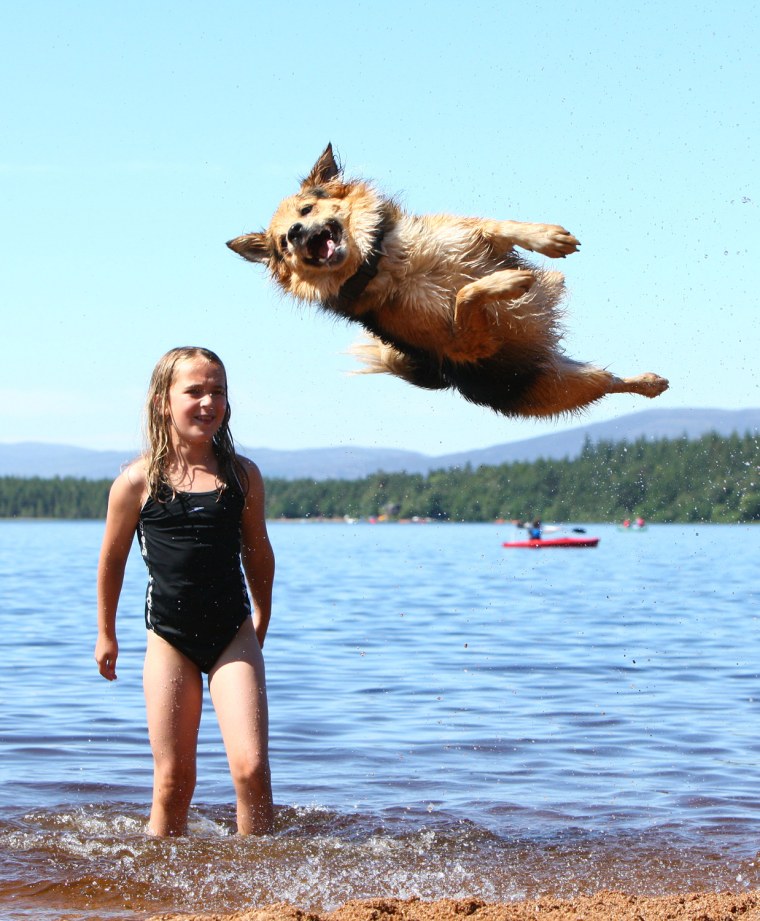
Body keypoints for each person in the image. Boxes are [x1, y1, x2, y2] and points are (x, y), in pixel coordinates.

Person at [95, 346, 275, 837]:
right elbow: (112, 561)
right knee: (175, 780)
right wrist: (105, 633)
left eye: (217, 391)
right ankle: (160, 893)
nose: (207, 402)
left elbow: (257, 551)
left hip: (232, 634)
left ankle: (263, 886)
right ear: (162, 401)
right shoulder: (137, 481)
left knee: (252, 770)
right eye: (194, 390)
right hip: (169, 639)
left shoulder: (241, 475)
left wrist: (263, 613)